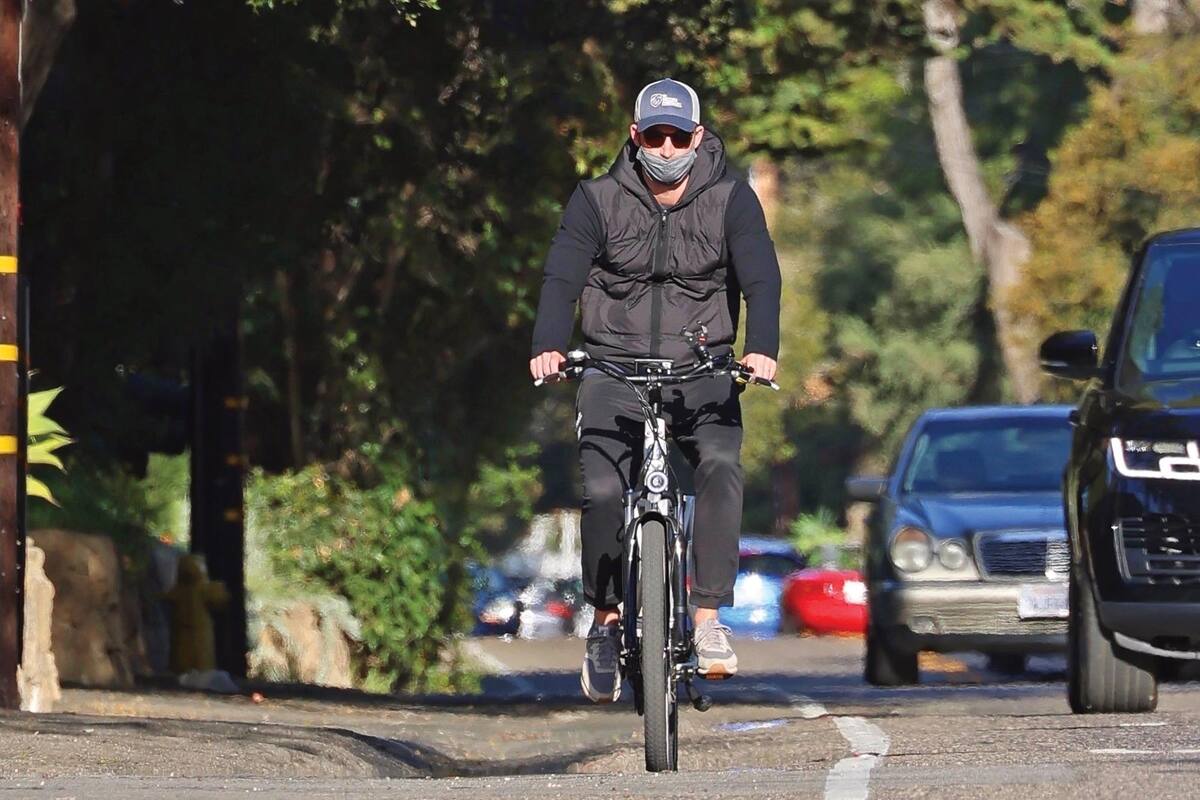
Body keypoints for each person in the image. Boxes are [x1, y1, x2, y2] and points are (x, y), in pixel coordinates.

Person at [529, 78, 782, 703]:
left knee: (721, 464)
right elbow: (561, 278)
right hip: (613, 369)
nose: (666, 148)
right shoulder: (595, 199)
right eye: (654, 136)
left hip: (701, 369)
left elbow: (761, 279)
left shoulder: (732, 200)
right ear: (635, 136)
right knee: (603, 491)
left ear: (697, 138)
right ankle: (606, 622)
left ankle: (708, 619)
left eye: (677, 137)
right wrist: (549, 344)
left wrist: (762, 348)